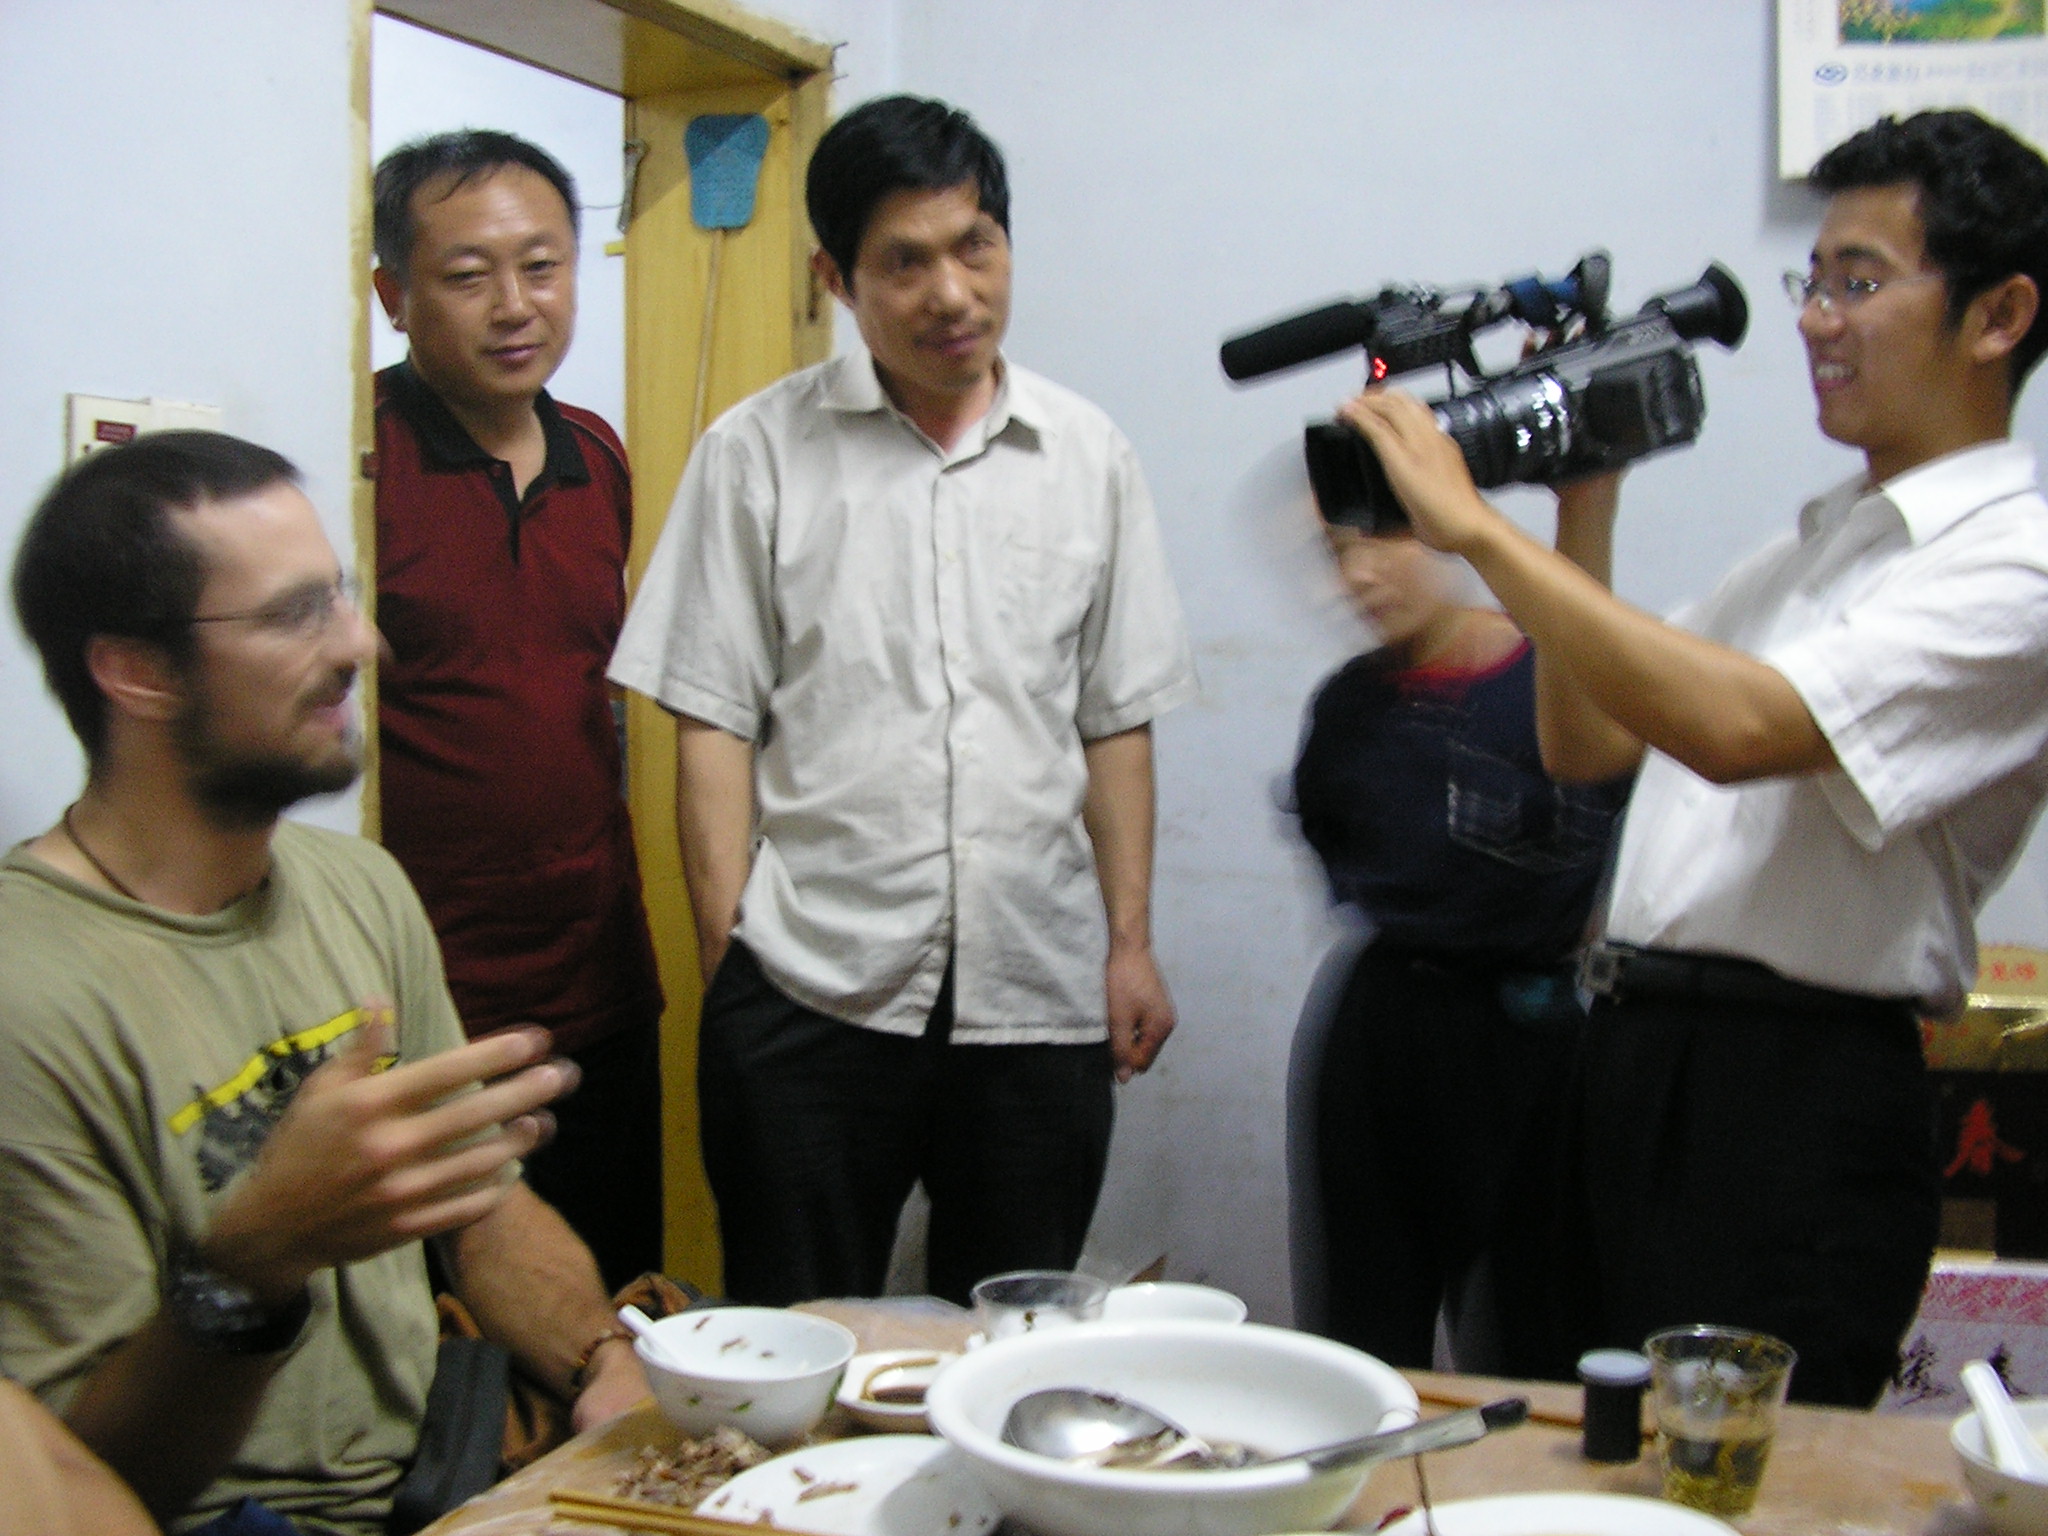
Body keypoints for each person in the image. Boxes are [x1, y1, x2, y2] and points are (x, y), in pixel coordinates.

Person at [1341, 108, 2048, 1406]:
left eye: (1861, 281)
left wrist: (1475, 535)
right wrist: (1581, 496)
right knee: (1578, 1452)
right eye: (1814, 280)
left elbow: (1736, 730)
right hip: (1629, 1059)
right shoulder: (1815, 548)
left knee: (1731, 1484)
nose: (1817, 319)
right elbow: (1589, 735)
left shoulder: (2017, 561)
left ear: (1999, 316)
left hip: (1792, 1104)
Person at [0, 432, 647, 1535]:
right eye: (297, 613)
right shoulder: (28, 994)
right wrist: (259, 1259)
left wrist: (603, 1359)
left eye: (340, 596)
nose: (364, 642)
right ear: (137, 671)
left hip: (443, 1472)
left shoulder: (360, 886)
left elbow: (485, 1208)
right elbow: (81, 1486)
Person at [609, 94, 1198, 1307]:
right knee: (796, 1329)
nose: (951, 293)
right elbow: (709, 718)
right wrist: (732, 960)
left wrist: (1128, 942)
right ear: (836, 277)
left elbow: (1112, 719)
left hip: (1036, 989)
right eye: (905, 261)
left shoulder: (1090, 458)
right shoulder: (754, 455)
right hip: (811, 987)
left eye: (974, 246)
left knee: (1016, 1332)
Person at [370, 130, 665, 1290]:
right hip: (427, 1003)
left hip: (597, 982)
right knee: (457, 1352)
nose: (513, 306)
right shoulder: (358, 455)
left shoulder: (600, 454)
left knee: (617, 1302)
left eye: (541, 267)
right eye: (466, 273)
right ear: (393, 294)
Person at [1288, 514, 1627, 1372]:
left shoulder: (1557, 679)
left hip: (1534, 1033)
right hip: (1379, 1029)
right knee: (1358, 1335)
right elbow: (1339, 844)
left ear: (1449, 529)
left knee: (1539, 1338)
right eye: (1336, 554)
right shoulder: (1348, 706)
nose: (1359, 576)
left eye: (1380, 540)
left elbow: (1619, 835)